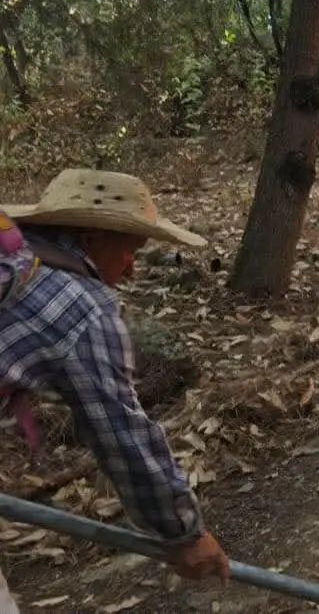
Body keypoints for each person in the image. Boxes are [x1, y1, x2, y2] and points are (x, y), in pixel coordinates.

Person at [0, 170, 230, 610]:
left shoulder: (15, 262)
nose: (133, 266)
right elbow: (122, 433)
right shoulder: (82, 308)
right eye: (130, 249)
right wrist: (184, 532)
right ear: (89, 238)